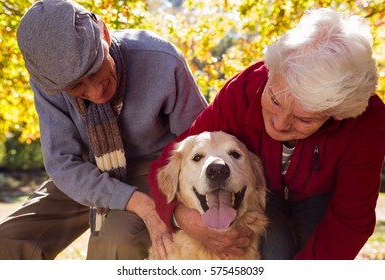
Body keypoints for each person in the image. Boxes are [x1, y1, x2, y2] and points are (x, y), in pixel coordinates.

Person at [149, 8, 385, 260]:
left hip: (320, 200)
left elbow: (350, 221)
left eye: (304, 118)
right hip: (261, 196)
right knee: (276, 247)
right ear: (272, 72)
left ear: (338, 113)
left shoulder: (367, 122)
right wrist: (183, 217)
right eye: (275, 100)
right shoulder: (241, 91)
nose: (280, 124)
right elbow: (166, 166)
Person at [0, 0, 207, 260]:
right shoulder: (50, 84)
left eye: (95, 70)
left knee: (114, 244)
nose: (96, 93)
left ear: (105, 34)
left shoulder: (161, 59)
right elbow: (62, 163)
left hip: (156, 168)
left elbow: (202, 145)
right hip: (86, 170)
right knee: (5, 243)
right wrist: (136, 202)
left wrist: (173, 209)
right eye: (77, 87)